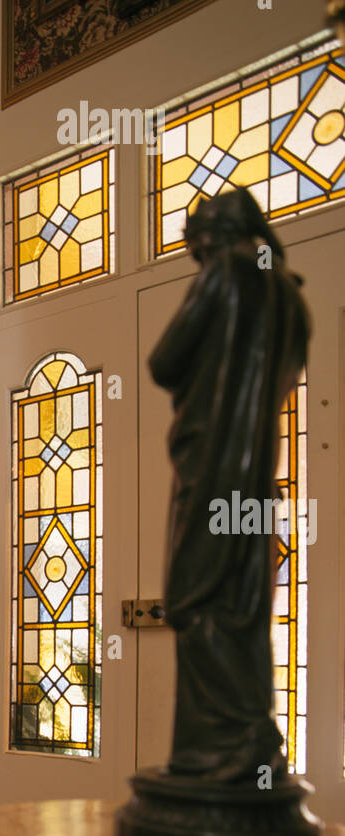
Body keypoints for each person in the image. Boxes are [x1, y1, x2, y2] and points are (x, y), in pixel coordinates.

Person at [150, 187, 309, 783]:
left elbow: (165, 362)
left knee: (195, 601)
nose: (199, 257)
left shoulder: (227, 277)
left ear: (215, 236)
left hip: (213, 471)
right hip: (256, 481)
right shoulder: (292, 299)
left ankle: (227, 749)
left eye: (198, 245)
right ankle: (255, 746)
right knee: (244, 605)